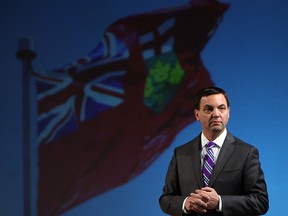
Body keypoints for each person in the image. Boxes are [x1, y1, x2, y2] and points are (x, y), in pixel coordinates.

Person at [159, 86, 269, 216]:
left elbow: (261, 202)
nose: (216, 114)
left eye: (221, 108)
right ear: (197, 114)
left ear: (228, 112)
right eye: (208, 109)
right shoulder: (181, 153)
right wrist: (186, 203)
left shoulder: (246, 153)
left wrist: (220, 202)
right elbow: (166, 199)